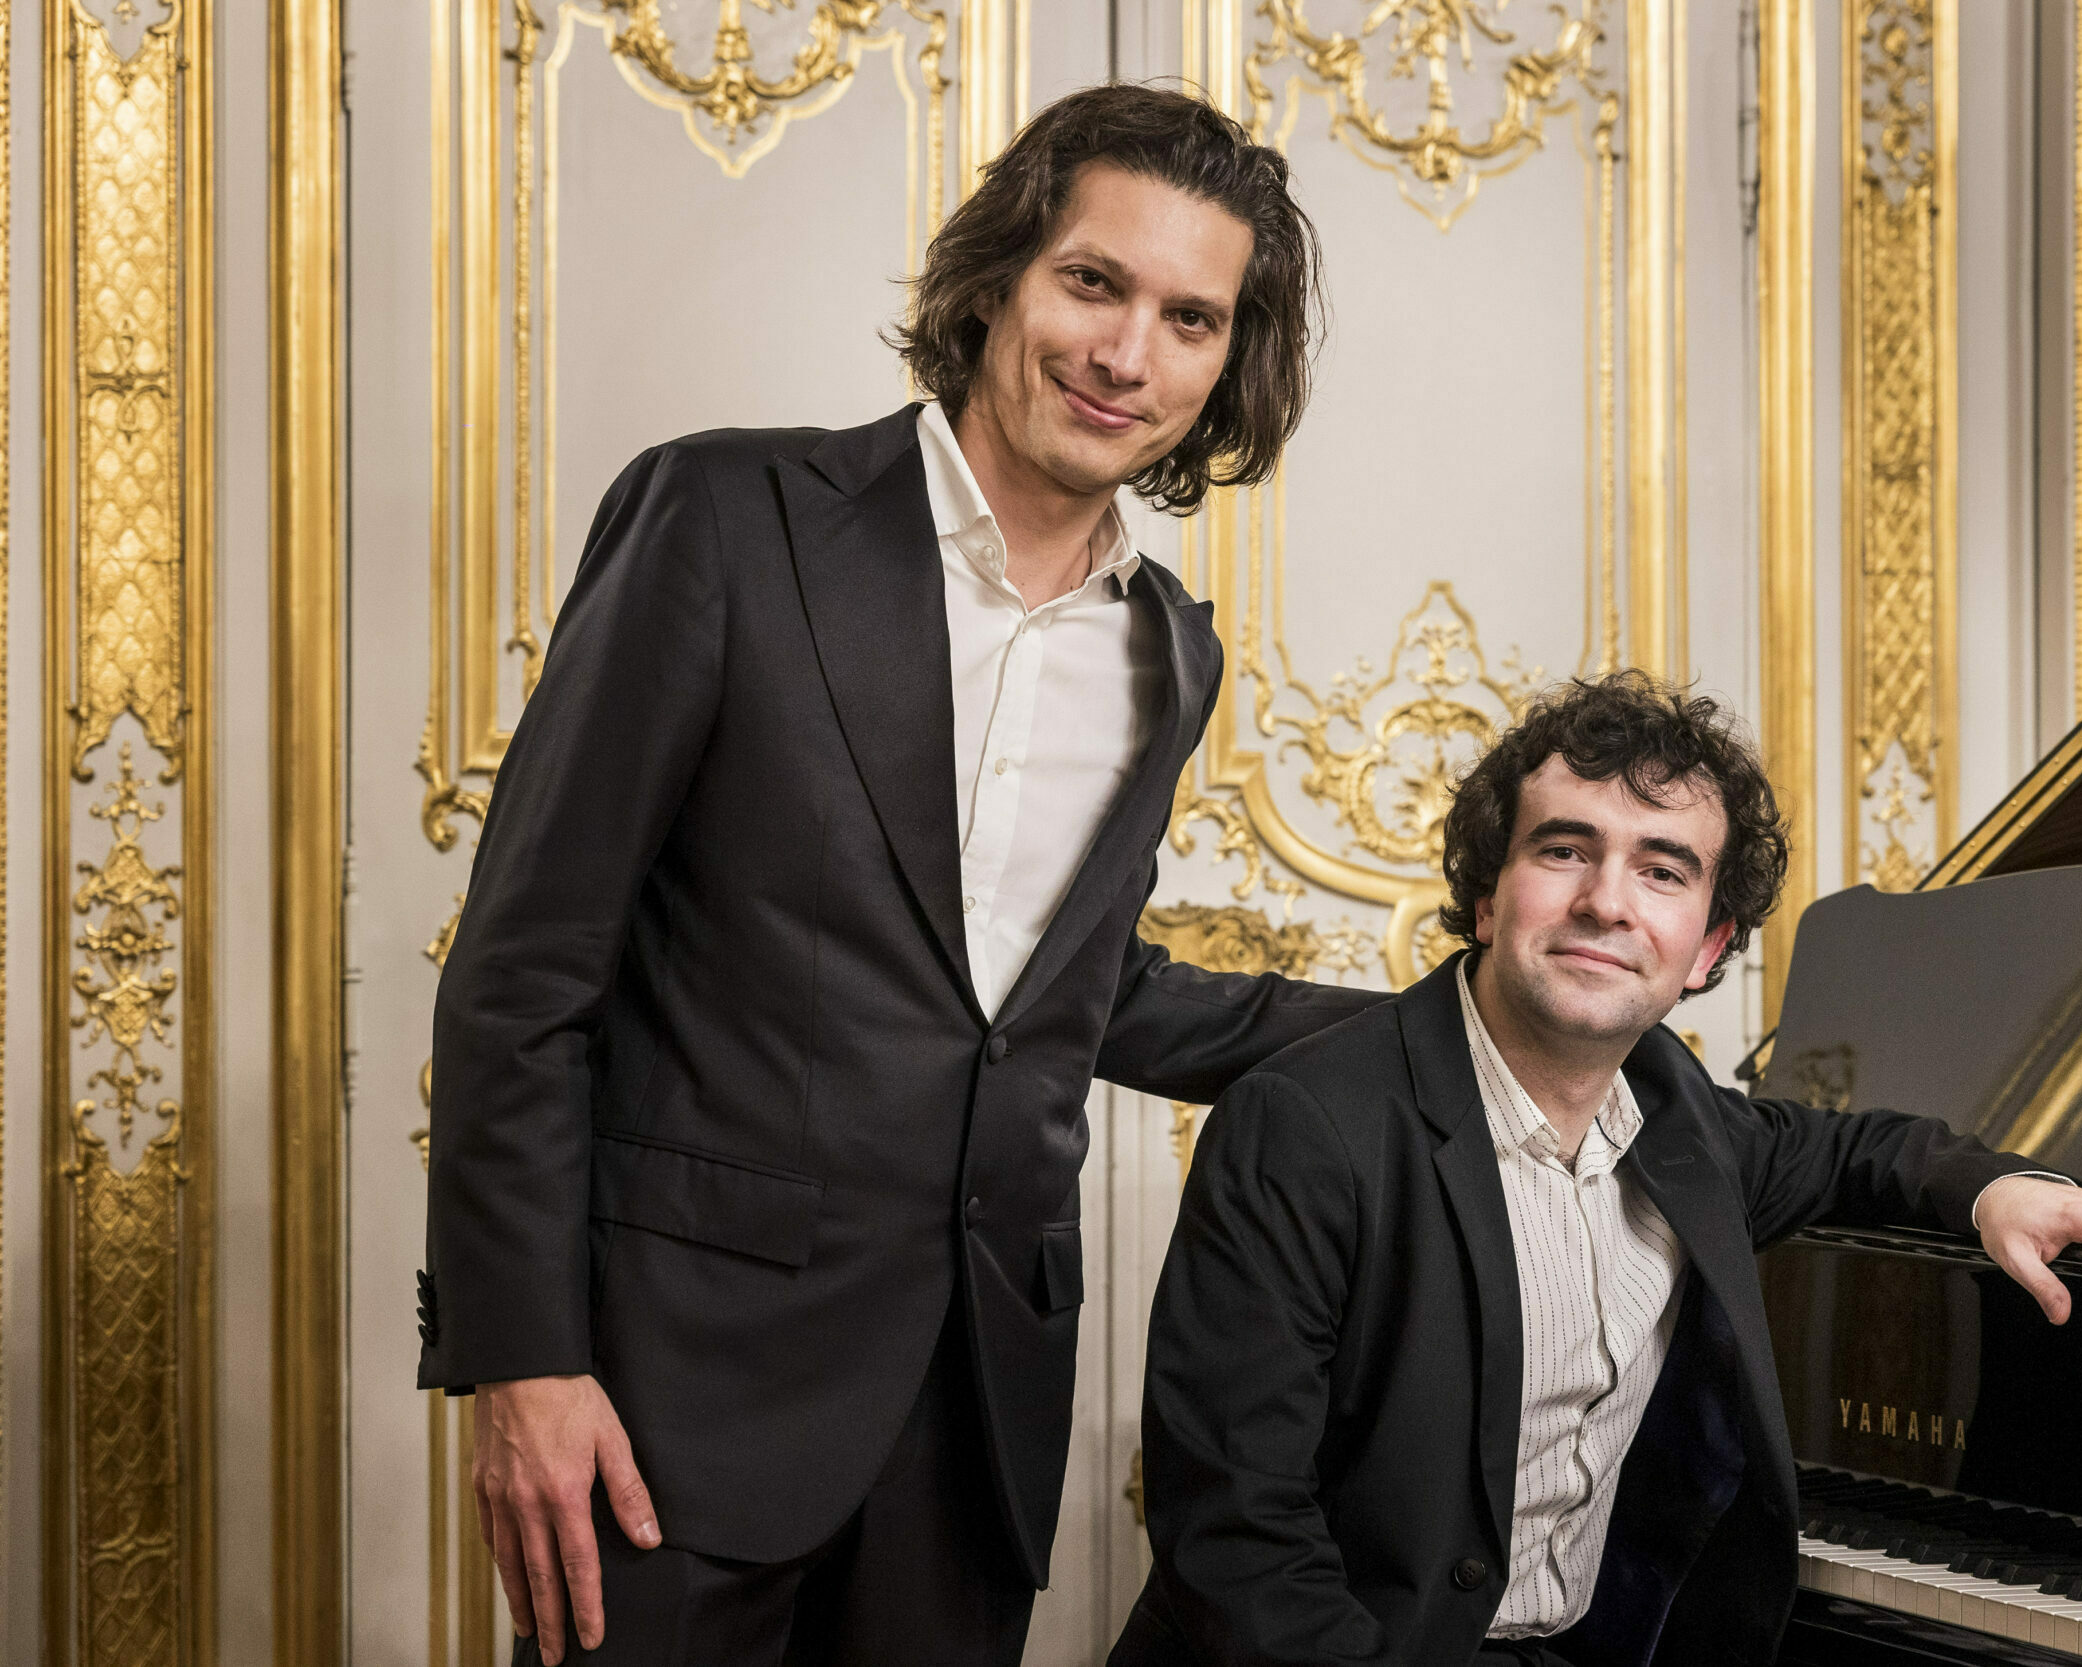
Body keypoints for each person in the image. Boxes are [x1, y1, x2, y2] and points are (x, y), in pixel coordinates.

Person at [418, 83, 1380, 1665]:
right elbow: (527, 968)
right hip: (670, 1402)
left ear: (1229, 363)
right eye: (1094, 282)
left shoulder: (1170, 650)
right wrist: (522, 1358)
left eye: (1189, 318)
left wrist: (1456, 1023)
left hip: (973, 1419)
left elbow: (1059, 992)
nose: (1127, 353)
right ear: (999, 280)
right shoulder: (725, 517)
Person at [1112, 672, 2082, 1667]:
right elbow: (1239, 1539)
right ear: (1488, 897)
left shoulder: (1681, 1120)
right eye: (1564, 850)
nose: (1607, 900)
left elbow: (1852, 1148)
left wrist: (1992, 1187)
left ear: (1705, 947)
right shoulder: (1305, 1124)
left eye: (1661, 869)